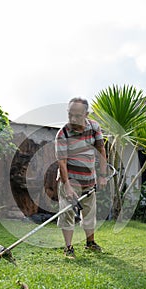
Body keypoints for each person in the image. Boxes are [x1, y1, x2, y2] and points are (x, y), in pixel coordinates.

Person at [55, 97, 108, 258]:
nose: (73, 119)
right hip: (69, 179)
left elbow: (101, 150)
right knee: (67, 212)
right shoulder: (62, 133)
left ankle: (90, 243)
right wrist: (67, 186)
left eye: (77, 115)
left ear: (86, 114)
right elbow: (62, 162)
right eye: (70, 114)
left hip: (89, 179)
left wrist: (102, 176)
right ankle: (68, 247)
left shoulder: (94, 127)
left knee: (89, 212)